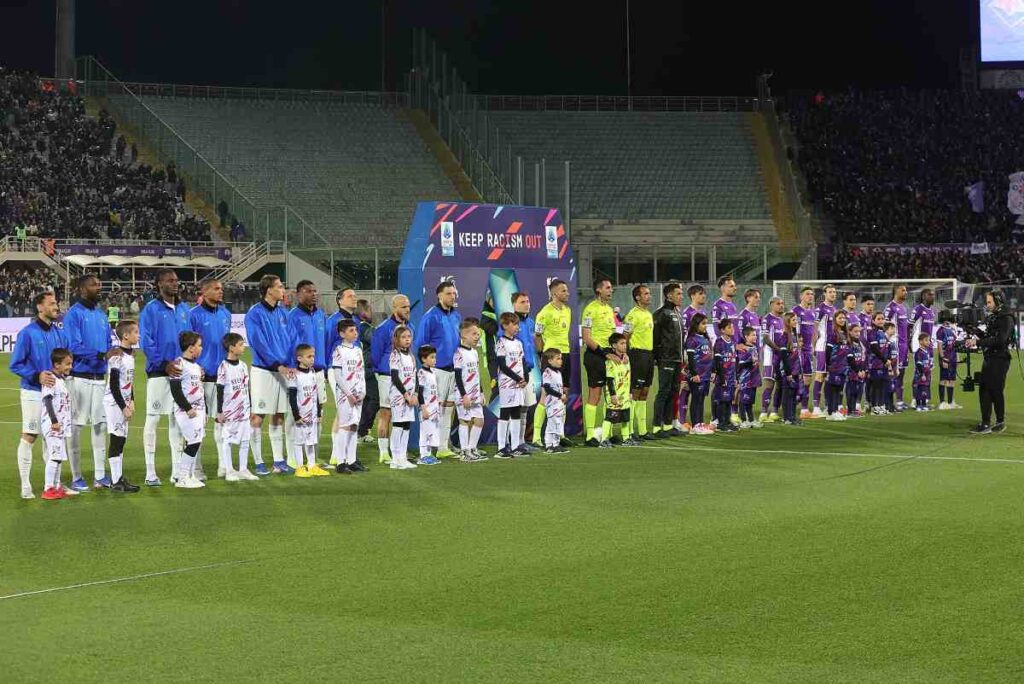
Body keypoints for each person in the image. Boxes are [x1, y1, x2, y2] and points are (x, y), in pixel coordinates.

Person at [63, 274, 119, 491]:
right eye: (94, 284)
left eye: (99, 283)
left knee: (99, 427)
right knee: (76, 428)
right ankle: (76, 476)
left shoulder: (101, 314)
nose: (99, 287)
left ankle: (100, 475)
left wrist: (109, 355)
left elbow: (107, 343)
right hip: (79, 379)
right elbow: (73, 346)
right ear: (82, 289)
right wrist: (100, 355)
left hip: (99, 379)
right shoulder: (73, 315)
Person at [10, 290, 67, 499]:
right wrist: (37, 376)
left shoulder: (58, 332)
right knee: (30, 436)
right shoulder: (28, 333)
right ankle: (25, 485)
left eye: (56, 303)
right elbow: (15, 364)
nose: (56, 307)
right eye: (52, 303)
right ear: (40, 307)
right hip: (34, 392)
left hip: (55, 395)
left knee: (53, 437)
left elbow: (66, 359)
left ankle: (54, 485)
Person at [139, 268, 192, 486]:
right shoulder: (151, 309)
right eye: (170, 281)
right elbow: (146, 341)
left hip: (181, 372)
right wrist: (163, 363)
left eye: (176, 280)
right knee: (152, 419)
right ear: (160, 284)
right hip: (159, 372)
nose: (175, 283)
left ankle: (177, 471)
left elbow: (189, 339)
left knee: (177, 421)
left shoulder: (183, 308)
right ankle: (150, 472)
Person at [244, 274, 297, 475]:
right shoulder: (255, 313)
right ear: (269, 290)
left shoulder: (283, 313)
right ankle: (258, 462)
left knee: (279, 415)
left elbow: (292, 340)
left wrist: (290, 364)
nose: (283, 290)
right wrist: (277, 364)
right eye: (280, 286)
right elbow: (258, 342)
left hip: (283, 369)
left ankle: (278, 461)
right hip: (264, 371)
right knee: (258, 416)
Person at [189, 277, 231, 478]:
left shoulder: (225, 313)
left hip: (222, 377)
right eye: (216, 289)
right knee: (198, 425)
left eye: (221, 289)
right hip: (201, 378)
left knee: (222, 422)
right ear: (204, 292)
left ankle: (224, 465)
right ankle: (195, 467)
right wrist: (196, 367)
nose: (220, 292)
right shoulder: (193, 315)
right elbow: (187, 346)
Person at [415, 281, 461, 458]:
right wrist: (427, 370)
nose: (452, 296)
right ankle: (426, 447)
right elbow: (421, 344)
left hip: (452, 369)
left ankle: (442, 447)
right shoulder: (430, 316)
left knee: (448, 408)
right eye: (449, 293)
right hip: (438, 370)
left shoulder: (455, 315)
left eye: (454, 293)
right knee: (435, 408)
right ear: (439, 295)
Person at [287, 281, 327, 468]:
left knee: (317, 415)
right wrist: (291, 366)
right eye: (308, 291)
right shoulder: (292, 316)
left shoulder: (320, 314)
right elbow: (289, 344)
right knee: (295, 416)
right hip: (299, 371)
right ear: (298, 294)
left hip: (318, 370)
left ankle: (313, 460)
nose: (313, 294)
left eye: (314, 290)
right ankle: (294, 459)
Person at [965, 289, 1014, 433]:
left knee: (995, 390)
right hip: (990, 358)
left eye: (989, 302)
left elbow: (1000, 340)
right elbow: (988, 336)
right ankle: (988, 422)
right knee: (985, 389)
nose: (987, 305)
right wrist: (974, 330)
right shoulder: (996, 316)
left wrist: (977, 342)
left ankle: (997, 422)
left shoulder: (1006, 318)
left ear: (998, 301)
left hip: (1000, 358)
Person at [371, 295, 412, 464]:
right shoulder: (383, 328)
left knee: (403, 416)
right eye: (403, 307)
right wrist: (382, 371)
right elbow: (375, 354)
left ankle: (400, 451)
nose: (407, 309)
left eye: (408, 306)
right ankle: (383, 452)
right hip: (388, 377)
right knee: (386, 413)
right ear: (394, 308)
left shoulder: (410, 327)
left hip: (406, 378)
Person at [533, 278, 572, 444]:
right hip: (550, 357)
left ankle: (559, 434)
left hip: (566, 354)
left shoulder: (568, 310)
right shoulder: (544, 313)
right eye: (563, 290)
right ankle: (536, 437)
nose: (567, 293)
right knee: (546, 395)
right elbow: (537, 336)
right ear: (554, 293)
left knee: (564, 393)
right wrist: (543, 355)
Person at [103, 320, 141, 492]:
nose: (138, 335)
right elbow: (113, 384)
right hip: (114, 402)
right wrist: (123, 406)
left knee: (122, 440)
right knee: (116, 439)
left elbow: (129, 382)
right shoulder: (117, 356)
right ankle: (116, 481)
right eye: (135, 332)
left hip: (124, 402)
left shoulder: (130, 355)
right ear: (126, 335)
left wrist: (131, 400)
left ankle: (118, 479)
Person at [216, 332, 258, 481]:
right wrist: (220, 411)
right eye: (240, 345)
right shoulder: (223, 367)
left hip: (244, 409)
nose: (243, 347)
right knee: (228, 439)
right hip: (230, 410)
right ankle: (229, 470)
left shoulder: (243, 366)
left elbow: (247, 388)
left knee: (246, 438)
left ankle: (243, 469)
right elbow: (220, 389)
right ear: (231, 348)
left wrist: (251, 407)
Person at [168, 331, 207, 489]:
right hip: (187, 411)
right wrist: (188, 408)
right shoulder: (178, 365)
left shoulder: (196, 366)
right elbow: (175, 390)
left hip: (199, 410)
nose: (201, 348)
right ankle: (182, 477)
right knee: (193, 442)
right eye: (199, 345)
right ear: (191, 348)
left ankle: (186, 475)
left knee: (195, 442)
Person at [580, 278, 616, 446]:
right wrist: (604, 353)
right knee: (595, 394)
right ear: (598, 290)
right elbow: (587, 338)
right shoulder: (590, 309)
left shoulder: (609, 310)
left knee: (610, 395)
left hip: (610, 354)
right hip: (596, 355)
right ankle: (590, 436)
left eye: (611, 288)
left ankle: (606, 433)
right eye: (608, 288)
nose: (611, 290)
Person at [331, 319, 368, 473]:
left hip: (358, 393)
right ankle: (340, 462)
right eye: (351, 331)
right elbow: (338, 375)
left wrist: (363, 391)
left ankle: (352, 460)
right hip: (346, 395)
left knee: (354, 425)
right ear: (342, 334)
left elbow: (361, 372)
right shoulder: (339, 351)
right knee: (345, 426)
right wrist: (348, 393)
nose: (355, 333)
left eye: (356, 330)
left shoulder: (358, 350)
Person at [289, 344, 328, 478]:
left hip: (312, 414)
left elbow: (315, 394)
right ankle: (299, 467)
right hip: (301, 414)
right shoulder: (295, 375)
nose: (312, 359)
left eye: (313, 356)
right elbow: (293, 397)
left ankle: (312, 465)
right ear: (299, 358)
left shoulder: (312, 372)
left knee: (311, 441)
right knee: (299, 441)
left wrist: (318, 412)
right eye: (309, 356)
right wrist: (296, 415)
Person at [40, 349, 74, 501]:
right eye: (67, 364)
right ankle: (48, 488)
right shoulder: (51, 379)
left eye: (71, 363)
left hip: (60, 426)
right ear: (57, 365)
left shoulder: (60, 379)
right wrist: (54, 421)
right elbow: (47, 400)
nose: (70, 367)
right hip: (53, 425)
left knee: (58, 457)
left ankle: (56, 486)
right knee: (54, 457)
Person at [652, 282, 685, 438]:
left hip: (677, 359)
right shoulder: (661, 314)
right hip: (666, 359)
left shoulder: (677, 313)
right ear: (668, 295)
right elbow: (655, 338)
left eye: (681, 293)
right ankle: (656, 427)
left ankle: (667, 425)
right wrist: (658, 358)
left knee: (673, 392)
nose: (681, 296)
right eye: (678, 293)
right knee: (664, 392)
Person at [510, 292, 540, 452]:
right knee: (515, 408)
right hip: (515, 372)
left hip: (529, 370)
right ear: (514, 305)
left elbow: (533, 346)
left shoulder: (530, 322)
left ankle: (521, 442)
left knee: (525, 408)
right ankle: (512, 442)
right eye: (522, 302)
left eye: (528, 301)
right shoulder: (509, 323)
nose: (527, 304)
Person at [623, 284, 655, 441]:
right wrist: (626, 354)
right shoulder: (632, 315)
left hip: (649, 355)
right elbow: (625, 336)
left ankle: (642, 431)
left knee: (645, 392)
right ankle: (628, 431)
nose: (649, 296)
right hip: (637, 355)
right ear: (637, 297)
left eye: (649, 293)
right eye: (646, 294)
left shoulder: (648, 314)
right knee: (634, 392)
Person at [495, 312, 527, 457]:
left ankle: (515, 446)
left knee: (516, 412)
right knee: (505, 413)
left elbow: (523, 362)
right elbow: (502, 365)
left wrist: (525, 377)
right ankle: (501, 447)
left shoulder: (518, 343)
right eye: (514, 324)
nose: (516, 327)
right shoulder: (501, 342)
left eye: (517, 324)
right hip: (507, 383)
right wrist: (516, 378)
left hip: (519, 384)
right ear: (505, 326)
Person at [454, 318, 487, 462]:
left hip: (475, 394)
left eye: (478, 334)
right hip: (464, 394)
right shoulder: (459, 353)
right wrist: (464, 395)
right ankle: (464, 451)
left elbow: (477, 374)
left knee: (479, 420)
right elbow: (457, 376)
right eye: (474, 334)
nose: (477, 337)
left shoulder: (474, 352)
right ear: (464, 336)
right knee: (464, 421)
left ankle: (472, 448)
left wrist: (480, 392)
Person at [677, 284, 708, 430]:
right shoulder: (687, 313)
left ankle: (694, 421)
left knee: (695, 388)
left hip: (700, 358)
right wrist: (685, 357)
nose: (703, 296)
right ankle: (681, 421)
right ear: (693, 296)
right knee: (685, 387)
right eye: (700, 294)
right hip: (688, 356)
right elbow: (684, 336)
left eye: (704, 294)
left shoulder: (701, 312)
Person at [387, 325, 418, 470]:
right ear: (397, 339)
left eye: (409, 337)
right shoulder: (395, 355)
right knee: (398, 425)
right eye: (403, 337)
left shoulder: (411, 356)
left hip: (410, 397)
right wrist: (405, 394)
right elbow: (395, 377)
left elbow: (415, 376)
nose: (407, 340)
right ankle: (395, 458)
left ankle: (403, 457)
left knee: (407, 425)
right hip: (399, 396)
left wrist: (415, 394)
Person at [602, 333, 636, 445]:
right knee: (610, 417)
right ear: (614, 345)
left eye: (625, 343)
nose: (625, 345)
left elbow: (630, 376)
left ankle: (626, 439)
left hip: (625, 394)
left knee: (625, 417)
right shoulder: (610, 361)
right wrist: (612, 394)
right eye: (622, 343)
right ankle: (604, 440)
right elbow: (609, 379)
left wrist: (630, 391)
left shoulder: (627, 359)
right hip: (615, 394)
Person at [811, 283, 838, 418]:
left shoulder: (835, 309)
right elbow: (815, 329)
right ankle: (816, 407)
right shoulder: (820, 309)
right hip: (822, 346)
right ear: (825, 294)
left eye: (834, 292)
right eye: (830, 292)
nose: (833, 294)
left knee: (829, 376)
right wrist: (814, 346)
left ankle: (828, 405)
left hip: (833, 347)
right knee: (820, 375)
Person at [684, 313, 714, 435]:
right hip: (697, 375)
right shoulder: (692, 339)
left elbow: (709, 358)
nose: (705, 326)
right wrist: (694, 373)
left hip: (706, 375)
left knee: (701, 399)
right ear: (696, 324)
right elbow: (690, 358)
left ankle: (700, 423)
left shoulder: (706, 339)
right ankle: (695, 425)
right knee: (696, 399)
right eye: (703, 323)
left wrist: (712, 372)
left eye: (706, 323)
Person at [883, 284, 910, 410]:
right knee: (893, 373)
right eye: (903, 290)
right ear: (895, 291)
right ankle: (889, 402)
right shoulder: (890, 308)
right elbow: (885, 327)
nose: (905, 292)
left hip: (904, 346)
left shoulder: (903, 308)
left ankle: (899, 401)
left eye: (906, 290)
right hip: (895, 345)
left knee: (902, 374)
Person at [759, 296, 786, 423]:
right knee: (769, 384)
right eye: (778, 303)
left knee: (781, 384)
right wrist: (777, 349)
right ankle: (763, 413)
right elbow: (765, 338)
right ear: (771, 305)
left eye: (782, 303)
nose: (781, 305)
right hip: (770, 355)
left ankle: (774, 411)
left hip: (781, 355)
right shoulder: (767, 319)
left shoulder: (783, 319)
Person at [355, 299, 378, 442]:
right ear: (363, 312)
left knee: (368, 400)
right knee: (376, 399)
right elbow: (375, 338)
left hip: (365, 369)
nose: (372, 312)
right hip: (367, 369)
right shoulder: (363, 327)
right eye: (370, 309)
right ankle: (362, 429)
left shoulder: (362, 327)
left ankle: (362, 431)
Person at [416, 345, 442, 465]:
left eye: (435, 357)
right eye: (432, 357)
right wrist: (423, 408)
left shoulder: (433, 372)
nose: (434, 360)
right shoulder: (421, 373)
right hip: (426, 408)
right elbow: (420, 392)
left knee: (432, 431)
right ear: (423, 359)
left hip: (434, 408)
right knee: (425, 432)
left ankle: (429, 454)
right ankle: (423, 455)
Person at [540, 348, 570, 454]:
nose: (560, 361)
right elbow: (547, 388)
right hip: (552, 403)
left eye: (561, 358)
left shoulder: (558, 372)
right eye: (558, 359)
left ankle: (555, 444)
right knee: (553, 423)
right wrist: (560, 395)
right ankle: (550, 445)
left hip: (558, 403)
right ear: (550, 361)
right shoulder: (547, 372)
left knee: (557, 423)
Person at [712, 320, 738, 432]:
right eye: (729, 327)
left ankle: (727, 421)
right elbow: (718, 362)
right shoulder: (719, 342)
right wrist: (722, 378)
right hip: (723, 377)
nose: (732, 329)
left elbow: (733, 361)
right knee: (722, 400)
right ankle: (720, 422)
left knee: (729, 400)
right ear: (722, 330)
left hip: (731, 377)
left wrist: (735, 377)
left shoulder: (732, 343)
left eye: (732, 327)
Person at [824, 310, 850, 421]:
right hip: (834, 366)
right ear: (835, 319)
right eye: (840, 318)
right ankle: (831, 412)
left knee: (839, 389)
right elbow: (828, 350)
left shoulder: (845, 334)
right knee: (833, 389)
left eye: (844, 318)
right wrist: (828, 365)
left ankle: (835, 411)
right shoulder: (832, 333)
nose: (842, 320)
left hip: (843, 366)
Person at [778, 313, 801, 425]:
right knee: (787, 394)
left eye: (796, 319)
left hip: (795, 370)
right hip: (788, 370)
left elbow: (797, 355)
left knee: (793, 394)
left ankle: (792, 417)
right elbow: (783, 356)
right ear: (788, 322)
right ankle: (787, 417)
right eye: (793, 320)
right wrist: (788, 373)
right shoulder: (784, 336)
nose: (795, 321)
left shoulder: (794, 335)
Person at [736, 326, 760, 429]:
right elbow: (741, 364)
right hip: (746, 378)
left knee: (750, 400)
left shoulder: (754, 347)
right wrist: (751, 362)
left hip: (754, 377)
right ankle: (743, 420)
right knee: (743, 400)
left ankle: (751, 419)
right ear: (746, 336)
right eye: (753, 335)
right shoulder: (743, 348)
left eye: (755, 334)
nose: (755, 336)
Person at [935, 310, 960, 410]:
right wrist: (943, 358)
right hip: (945, 357)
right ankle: (942, 402)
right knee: (943, 379)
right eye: (945, 320)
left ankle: (950, 402)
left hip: (953, 357)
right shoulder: (940, 331)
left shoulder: (953, 330)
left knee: (952, 380)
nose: (947, 321)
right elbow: (940, 346)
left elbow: (955, 344)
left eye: (948, 319)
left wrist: (957, 357)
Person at [867, 312, 890, 416]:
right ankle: (874, 407)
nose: (881, 321)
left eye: (882, 319)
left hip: (883, 363)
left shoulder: (883, 332)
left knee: (882, 385)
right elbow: (875, 349)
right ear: (873, 321)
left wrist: (887, 360)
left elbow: (886, 348)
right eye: (878, 319)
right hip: (875, 363)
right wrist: (885, 360)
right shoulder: (872, 332)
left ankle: (881, 405)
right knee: (875, 385)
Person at [845, 324, 867, 418]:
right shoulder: (848, 343)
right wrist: (857, 371)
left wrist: (862, 370)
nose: (858, 333)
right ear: (850, 332)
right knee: (851, 390)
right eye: (855, 331)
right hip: (851, 371)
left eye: (859, 331)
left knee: (856, 390)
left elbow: (862, 358)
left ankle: (853, 410)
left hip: (858, 370)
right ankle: (850, 411)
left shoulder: (859, 343)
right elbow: (850, 359)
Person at [913, 334, 933, 411]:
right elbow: (919, 364)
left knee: (925, 389)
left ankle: (924, 404)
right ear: (920, 341)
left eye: (929, 340)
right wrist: (922, 374)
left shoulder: (927, 351)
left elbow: (928, 364)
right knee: (919, 389)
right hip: (920, 375)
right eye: (926, 340)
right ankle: (918, 405)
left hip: (926, 375)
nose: (928, 342)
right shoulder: (919, 352)